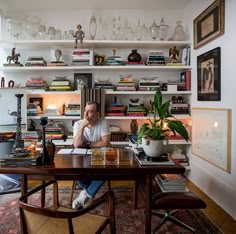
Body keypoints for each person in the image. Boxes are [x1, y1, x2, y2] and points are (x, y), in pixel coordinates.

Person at [72, 101, 110, 209]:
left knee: (106, 170)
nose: (86, 114)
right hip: (83, 158)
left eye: (90, 111)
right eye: (85, 111)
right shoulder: (78, 124)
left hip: (100, 156)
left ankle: (85, 194)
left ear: (97, 114)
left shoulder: (102, 122)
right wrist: (82, 127)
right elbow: (76, 144)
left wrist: (88, 144)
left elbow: (105, 142)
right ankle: (89, 192)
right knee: (76, 170)